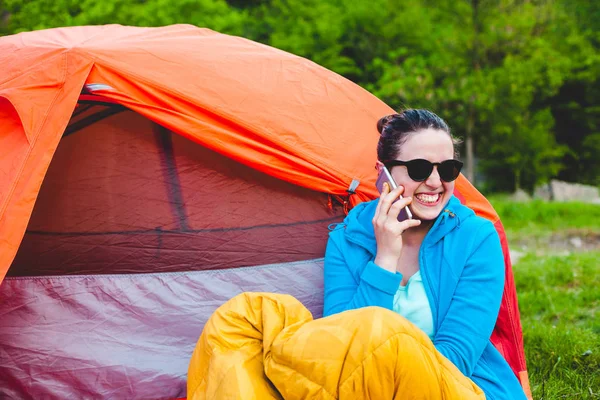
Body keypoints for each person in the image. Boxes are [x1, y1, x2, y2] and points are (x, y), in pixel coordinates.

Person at [323, 109, 527, 399]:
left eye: (447, 170)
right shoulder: (348, 238)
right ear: (383, 173)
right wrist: (383, 260)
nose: (435, 182)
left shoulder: (476, 238)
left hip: (461, 387)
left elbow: (456, 358)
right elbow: (340, 347)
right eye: (419, 168)